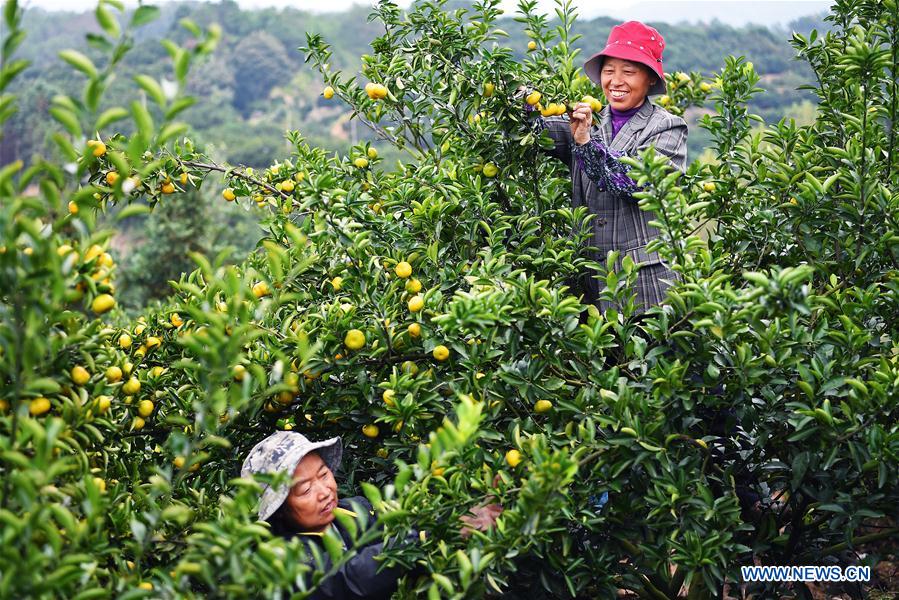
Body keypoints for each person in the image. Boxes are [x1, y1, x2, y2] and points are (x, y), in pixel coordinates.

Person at [535, 21, 688, 314]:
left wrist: (586, 143)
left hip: (646, 287)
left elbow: (635, 182)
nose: (616, 81)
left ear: (650, 80)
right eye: (609, 71)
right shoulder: (589, 120)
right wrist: (523, 103)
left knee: (647, 358)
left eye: (629, 72)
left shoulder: (667, 127)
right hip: (588, 287)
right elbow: (535, 134)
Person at [241, 431, 501, 599]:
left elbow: (406, 524)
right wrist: (423, 538)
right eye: (305, 489)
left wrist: (461, 517)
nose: (324, 491)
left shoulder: (356, 509)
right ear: (280, 509)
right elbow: (348, 578)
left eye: (323, 475)